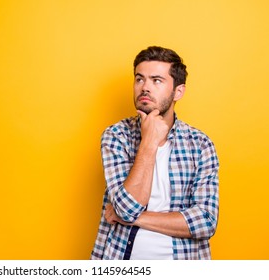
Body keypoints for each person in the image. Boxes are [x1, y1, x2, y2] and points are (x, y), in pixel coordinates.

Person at [91, 46, 219, 260]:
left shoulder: (200, 145)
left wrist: (134, 218)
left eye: (156, 80)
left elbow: (205, 221)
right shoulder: (116, 136)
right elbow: (126, 207)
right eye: (139, 79)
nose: (145, 88)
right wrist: (149, 142)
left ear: (178, 91)